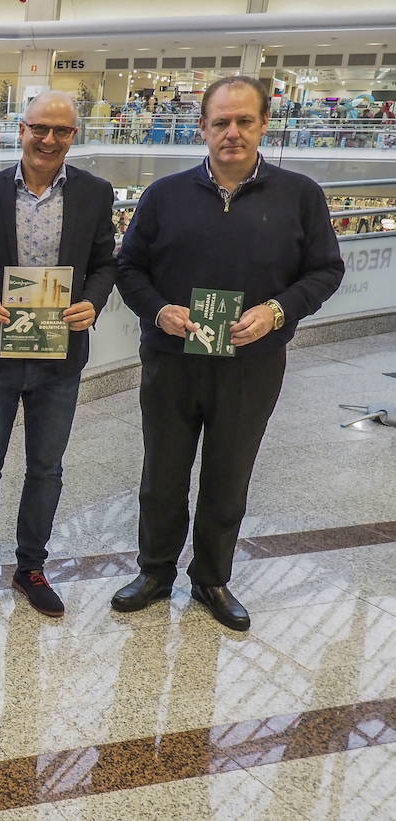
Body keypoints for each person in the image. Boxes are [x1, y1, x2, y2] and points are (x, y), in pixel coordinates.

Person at [113, 75, 344, 631]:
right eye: (221, 122)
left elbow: (326, 271)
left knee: (228, 474)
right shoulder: (164, 195)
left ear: (265, 124)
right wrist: (159, 310)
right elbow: (129, 268)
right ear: (202, 129)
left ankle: (212, 578)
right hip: (172, 360)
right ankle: (155, 571)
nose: (232, 132)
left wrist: (277, 311)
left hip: (252, 365)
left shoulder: (300, 195)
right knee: (162, 473)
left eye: (244, 121)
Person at [0, 91, 118, 617]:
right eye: (39, 128)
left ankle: (31, 567)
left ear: (74, 136)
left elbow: (105, 264)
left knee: (47, 468)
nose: (48, 139)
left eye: (61, 131)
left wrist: (92, 301)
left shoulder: (95, 193)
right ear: (20, 129)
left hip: (59, 356)